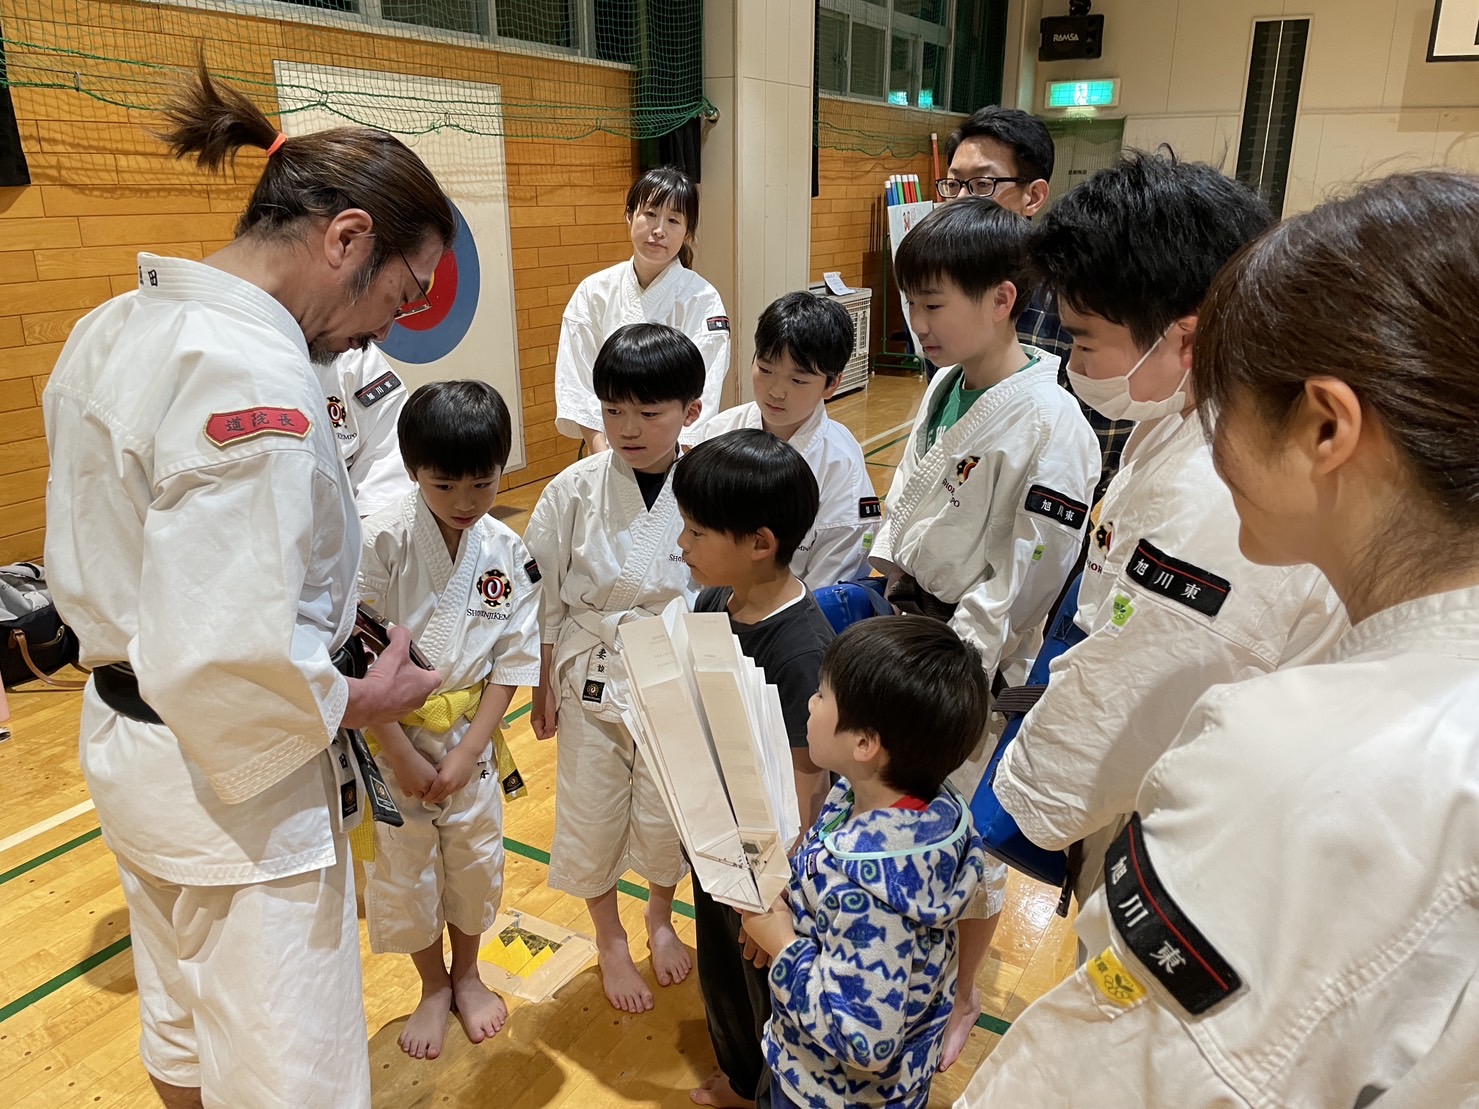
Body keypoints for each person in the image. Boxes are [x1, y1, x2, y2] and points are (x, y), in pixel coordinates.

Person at [958, 169, 1479, 1106]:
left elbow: (1099, 1079)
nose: (1212, 425)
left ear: (1325, 423)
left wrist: (1015, 806)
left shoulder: (1291, 761)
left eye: (1229, 390)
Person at [41, 63, 447, 1108]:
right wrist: (373, 697)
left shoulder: (112, 325)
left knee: (181, 1028)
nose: (387, 331)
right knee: (288, 1080)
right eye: (400, 295)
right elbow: (230, 646)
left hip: (132, 757)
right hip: (238, 791)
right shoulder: (252, 377)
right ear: (346, 239)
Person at [991, 153, 1345, 913]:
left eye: (1083, 342)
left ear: (1185, 339)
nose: (1071, 364)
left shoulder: (1221, 486)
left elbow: (1142, 682)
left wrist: (1007, 803)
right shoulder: (1191, 415)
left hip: (1200, 839)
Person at [874, 197, 1099, 1068]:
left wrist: (955, 666)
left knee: (963, 835)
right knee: (900, 814)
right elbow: (905, 498)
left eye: (933, 305)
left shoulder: (1055, 425)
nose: (917, 324)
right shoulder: (943, 383)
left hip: (970, 661)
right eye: (912, 304)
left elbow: (1028, 574)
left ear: (1001, 299)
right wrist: (880, 579)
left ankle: (962, 990)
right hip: (905, 627)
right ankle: (899, 963)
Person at [356, 380, 541, 1062]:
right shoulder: (378, 539)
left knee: (474, 861)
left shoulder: (506, 550)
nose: (465, 502)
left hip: (471, 739)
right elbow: (357, 652)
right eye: (445, 485)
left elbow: (513, 660)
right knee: (404, 873)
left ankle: (466, 973)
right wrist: (397, 749)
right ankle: (430, 985)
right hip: (392, 736)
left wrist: (467, 751)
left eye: (482, 484)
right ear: (411, 471)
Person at [525, 322, 703, 1014]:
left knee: (666, 815)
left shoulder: (708, 482)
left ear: (690, 411)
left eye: (648, 412)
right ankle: (607, 937)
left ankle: (659, 916)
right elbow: (540, 592)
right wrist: (540, 680)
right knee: (592, 809)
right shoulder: (572, 490)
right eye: (612, 409)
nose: (627, 427)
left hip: (675, 669)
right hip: (591, 667)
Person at [741, 618, 990, 1109]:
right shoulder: (919, 806)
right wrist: (791, 900)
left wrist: (783, 944)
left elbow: (864, 1041)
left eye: (819, 695)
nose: (809, 705)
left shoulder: (872, 893)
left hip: (831, 1094)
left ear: (864, 744)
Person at [672, 428, 838, 1109]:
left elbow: (810, 779)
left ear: (759, 543)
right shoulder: (715, 602)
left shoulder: (800, 648)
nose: (682, 546)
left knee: (760, 971)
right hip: (716, 833)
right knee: (719, 961)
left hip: (767, 858)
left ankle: (767, 1087)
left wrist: (778, 886)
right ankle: (742, 1076)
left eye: (696, 532)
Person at [940, 106, 1133, 504]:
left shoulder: (1073, 299)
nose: (960, 200)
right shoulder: (944, 292)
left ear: (1034, 196)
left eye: (981, 184)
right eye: (954, 183)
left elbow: (1099, 436)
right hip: (955, 497)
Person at [698, 293, 876, 591]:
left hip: (794, 619)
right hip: (711, 608)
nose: (776, 392)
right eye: (765, 370)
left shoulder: (840, 464)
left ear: (832, 384)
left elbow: (831, 581)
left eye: (798, 380)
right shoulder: (719, 432)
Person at [554, 166, 730, 453]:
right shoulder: (593, 291)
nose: (659, 231)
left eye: (673, 220)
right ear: (629, 215)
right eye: (649, 214)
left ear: (687, 232)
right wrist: (603, 458)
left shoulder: (702, 299)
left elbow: (704, 390)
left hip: (673, 454)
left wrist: (678, 466)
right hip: (607, 448)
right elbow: (578, 382)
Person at [327, 343, 415, 517]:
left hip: (340, 517)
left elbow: (386, 449)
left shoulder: (351, 347)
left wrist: (370, 534)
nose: (381, 334)